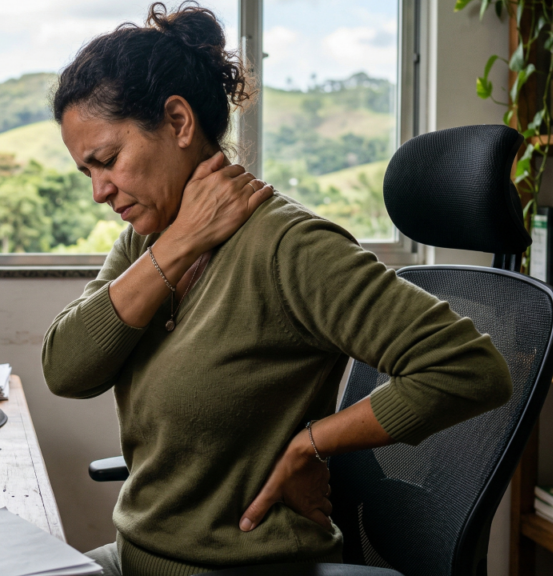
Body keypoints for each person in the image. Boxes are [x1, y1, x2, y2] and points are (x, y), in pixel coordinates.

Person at [41, 3, 513, 575]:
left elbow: (469, 368)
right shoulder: (148, 240)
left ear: (179, 122)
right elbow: (66, 371)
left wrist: (311, 444)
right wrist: (178, 244)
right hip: (134, 560)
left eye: (107, 160)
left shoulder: (289, 247)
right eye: (86, 172)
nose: (99, 191)